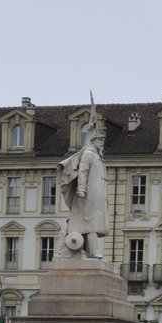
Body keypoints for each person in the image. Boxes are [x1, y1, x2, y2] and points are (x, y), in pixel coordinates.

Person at [59, 111, 109, 259]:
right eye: (100, 140)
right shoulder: (88, 154)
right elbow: (82, 172)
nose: (102, 143)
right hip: (88, 194)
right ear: (94, 140)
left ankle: (88, 250)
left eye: (103, 140)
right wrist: (81, 189)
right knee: (90, 222)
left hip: (97, 194)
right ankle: (93, 251)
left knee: (92, 221)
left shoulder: (98, 156)